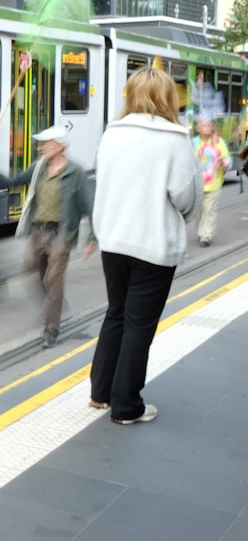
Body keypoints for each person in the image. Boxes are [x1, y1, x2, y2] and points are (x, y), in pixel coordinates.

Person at [89, 67, 202, 425]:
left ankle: (101, 393)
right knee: (139, 325)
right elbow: (185, 196)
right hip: (153, 245)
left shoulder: (111, 134)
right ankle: (126, 405)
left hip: (113, 240)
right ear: (168, 97)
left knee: (116, 313)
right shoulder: (174, 139)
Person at [0, 125, 96, 348]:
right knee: (35, 273)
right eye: (41, 143)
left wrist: (92, 237)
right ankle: (54, 301)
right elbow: (12, 184)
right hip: (39, 230)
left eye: (46, 143)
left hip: (62, 232)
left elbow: (88, 207)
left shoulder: (76, 173)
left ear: (60, 146)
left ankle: (51, 328)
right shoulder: (38, 168)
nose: (41, 147)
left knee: (54, 279)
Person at [191, 118, 231, 247]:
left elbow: (228, 161)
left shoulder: (218, 143)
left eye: (209, 124)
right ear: (198, 128)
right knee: (199, 212)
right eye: (204, 124)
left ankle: (206, 236)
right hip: (198, 185)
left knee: (209, 210)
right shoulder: (193, 143)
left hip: (214, 184)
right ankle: (200, 231)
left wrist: (223, 163)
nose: (207, 126)